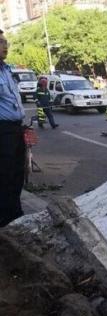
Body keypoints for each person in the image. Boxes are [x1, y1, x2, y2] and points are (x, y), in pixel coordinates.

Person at [0, 29, 26, 227]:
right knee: (5, 174)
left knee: (18, 173)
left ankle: (15, 213)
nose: (5, 45)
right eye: (1, 42)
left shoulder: (7, 70)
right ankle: (5, 218)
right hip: (3, 131)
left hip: (16, 129)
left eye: (6, 41)